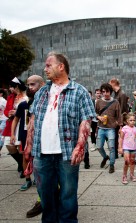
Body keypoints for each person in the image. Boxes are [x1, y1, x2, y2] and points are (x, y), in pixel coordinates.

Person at [25, 52, 95, 222]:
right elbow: (33, 120)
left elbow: (85, 121)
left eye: (48, 65)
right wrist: (28, 149)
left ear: (61, 67)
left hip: (66, 154)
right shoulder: (42, 92)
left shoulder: (79, 91)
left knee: (67, 196)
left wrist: (79, 147)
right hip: (41, 154)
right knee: (45, 195)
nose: (45, 69)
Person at [23, 75, 45, 218]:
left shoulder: (48, 98)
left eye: (33, 84)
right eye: (28, 85)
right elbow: (29, 123)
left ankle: (45, 201)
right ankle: (41, 200)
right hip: (35, 142)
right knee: (38, 174)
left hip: (48, 144)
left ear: (41, 84)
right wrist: (27, 143)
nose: (30, 87)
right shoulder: (31, 101)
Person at [3, 78, 28, 178]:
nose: (10, 89)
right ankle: (21, 164)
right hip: (11, 124)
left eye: (11, 86)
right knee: (9, 145)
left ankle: (24, 168)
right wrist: (9, 113)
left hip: (20, 124)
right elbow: (6, 110)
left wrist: (17, 113)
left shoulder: (25, 98)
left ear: (16, 86)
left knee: (20, 147)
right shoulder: (10, 97)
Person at [96, 83, 122, 173]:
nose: (105, 93)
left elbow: (119, 115)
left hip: (111, 128)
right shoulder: (99, 102)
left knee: (111, 147)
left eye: (107, 91)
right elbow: (94, 113)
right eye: (103, 92)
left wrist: (120, 127)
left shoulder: (115, 102)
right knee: (99, 146)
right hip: (101, 127)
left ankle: (111, 164)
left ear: (110, 92)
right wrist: (99, 117)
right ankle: (105, 157)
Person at [10, 79, 30, 190]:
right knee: (24, 156)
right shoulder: (23, 104)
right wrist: (13, 134)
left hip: (36, 135)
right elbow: (16, 120)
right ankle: (27, 179)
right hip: (24, 133)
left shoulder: (41, 103)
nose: (31, 87)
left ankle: (37, 178)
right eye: (29, 85)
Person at [110, 78, 129, 159]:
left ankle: (121, 152)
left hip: (121, 120)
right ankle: (117, 153)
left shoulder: (122, 94)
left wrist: (119, 121)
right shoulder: (116, 94)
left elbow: (122, 109)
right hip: (118, 119)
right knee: (116, 137)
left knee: (121, 136)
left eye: (110, 84)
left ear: (114, 84)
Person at [118, 112, 136, 184]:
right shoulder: (124, 128)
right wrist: (120, 147)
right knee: (127, 162)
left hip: (133, 147)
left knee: (132, 162)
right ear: (127, 121)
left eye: (134, 120)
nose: (132, 122)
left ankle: (132, 175)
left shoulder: (135, 128)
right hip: (126, 147)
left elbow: (134, 136)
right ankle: (124, 175)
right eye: (131, 120)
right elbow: (121, 138)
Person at [0, 88, 8, 153]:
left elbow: (7, 109)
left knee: (1, 135)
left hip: (3, 119)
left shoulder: (3, 101)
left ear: (1, 94)